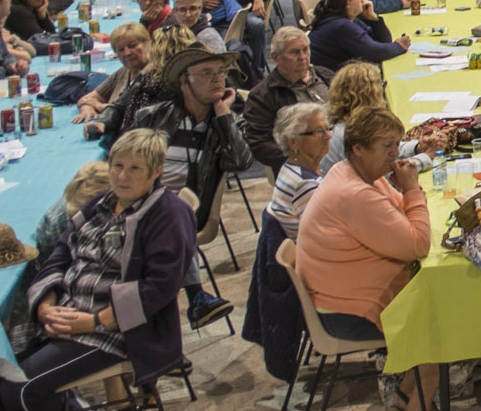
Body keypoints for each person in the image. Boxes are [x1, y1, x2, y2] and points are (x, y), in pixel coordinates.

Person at [0, 128, 193, 411]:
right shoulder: (100, 204)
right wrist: (45, 306)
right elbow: (59, 253)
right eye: (117, 165)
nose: (122, 176)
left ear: (157, 171)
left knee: (21, 386)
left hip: (119, 331)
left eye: (135, 168)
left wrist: (92, 322)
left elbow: (159, 290)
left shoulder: (168, 214)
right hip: (66, 315)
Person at [296, 106, 453, 411]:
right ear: (358, 148)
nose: (395, 154)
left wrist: (408, 198)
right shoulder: (355, 193)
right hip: (346, 311)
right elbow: (417, 243)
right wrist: (413, 188)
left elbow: (397, 215)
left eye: (397, 145)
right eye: (387, 147)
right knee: (446, 316)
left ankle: (405, 393)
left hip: (342, 294)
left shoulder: (350, 172)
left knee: (434, 296)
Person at [134, 43, 251, 327]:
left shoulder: (225, 123)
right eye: (207, 72)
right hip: (144, 202)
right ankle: (193, 299)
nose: (217, 79)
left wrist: (223, 114)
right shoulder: (153, 116)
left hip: (189, 211)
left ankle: (163, 330)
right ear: (184, 81)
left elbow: (241, 163)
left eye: (221, 72)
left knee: (169, 220)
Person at [243, 27, 332, 172]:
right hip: (303, 167)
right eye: (294, 52)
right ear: (275, 57)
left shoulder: (325, 76)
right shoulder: (262, 96)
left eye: (305, 49)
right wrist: (302, 157)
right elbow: (259, 144)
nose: (303, 57)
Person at [307, 0, 409, 70]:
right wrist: (398, 46)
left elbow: (383, 42)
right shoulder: (342, 25)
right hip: (331, 78)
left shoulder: (349, 19)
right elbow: (374, 52)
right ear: (347, 3)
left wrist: (373, 19)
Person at [266, 103, 329, 239]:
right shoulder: (305, 184)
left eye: (328, 129)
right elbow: (326, 236)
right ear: (293, 142)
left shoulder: (289, 167)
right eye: (318, 131)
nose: (328, 136)